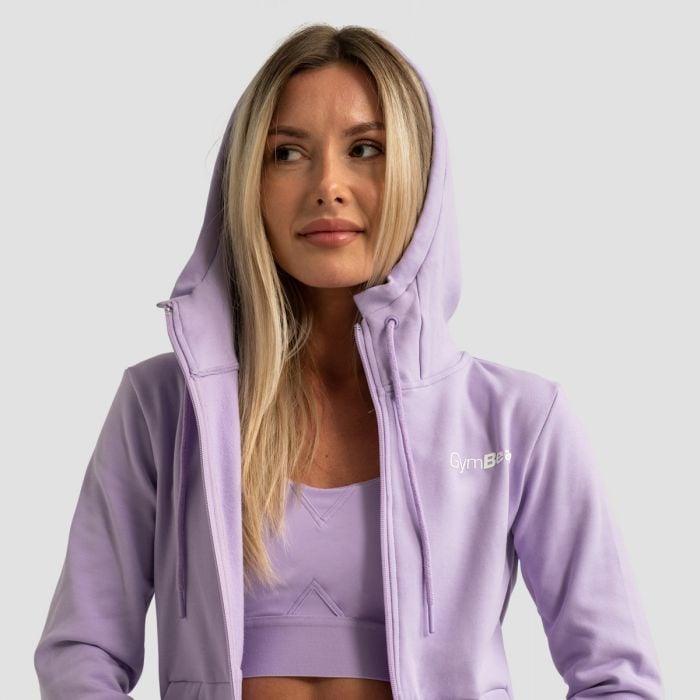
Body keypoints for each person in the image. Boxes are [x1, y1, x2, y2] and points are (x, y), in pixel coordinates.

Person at [34, 22, 664, 700]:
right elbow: (82, 654)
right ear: (247, 183)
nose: (328, 186)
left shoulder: (520, 422)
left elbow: (617, 677)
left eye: (365, 149)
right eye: (287, 153)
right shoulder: (163, 406)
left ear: (419, 175)